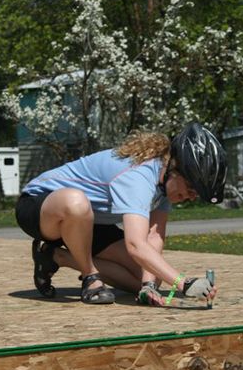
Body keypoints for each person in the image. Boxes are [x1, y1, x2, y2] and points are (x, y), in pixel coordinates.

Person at [15, 122, 226, 305]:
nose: (189, 196)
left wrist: (148, 286)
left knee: (145, 276)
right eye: (190, 188)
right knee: (76, 202)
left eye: (195, 194)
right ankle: (91, 278)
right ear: (175, 167)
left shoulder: (163, 184)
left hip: (88, 222)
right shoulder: (139, 175)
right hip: (40, 207)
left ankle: (55, 256)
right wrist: (184, 283)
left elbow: (153, 237)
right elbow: (135, 245)